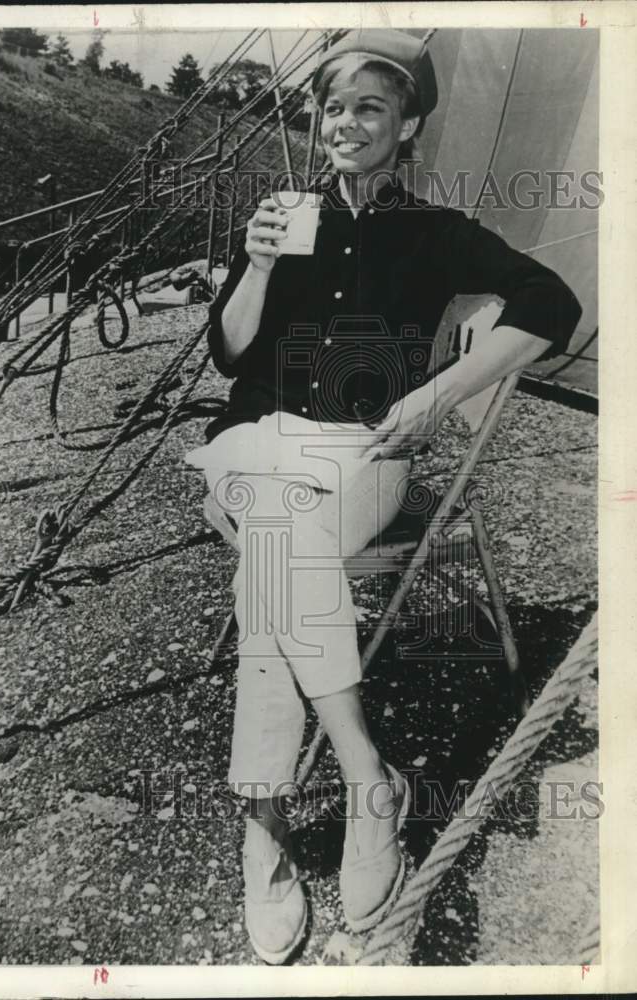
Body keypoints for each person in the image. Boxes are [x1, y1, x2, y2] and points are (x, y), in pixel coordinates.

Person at [185, 28, 582, 964]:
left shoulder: (437, 235)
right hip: (257, 441)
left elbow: (551, 304)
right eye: (333, 106)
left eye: (371, 106)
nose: (346, 123)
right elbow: (230, 356)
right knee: (284, 530)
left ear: (408, 127)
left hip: (364, 451)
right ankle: (369, 781)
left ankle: (266, 826)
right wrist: (258, 264)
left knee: (276, 554)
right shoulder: (284, 217)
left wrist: (440, 391)